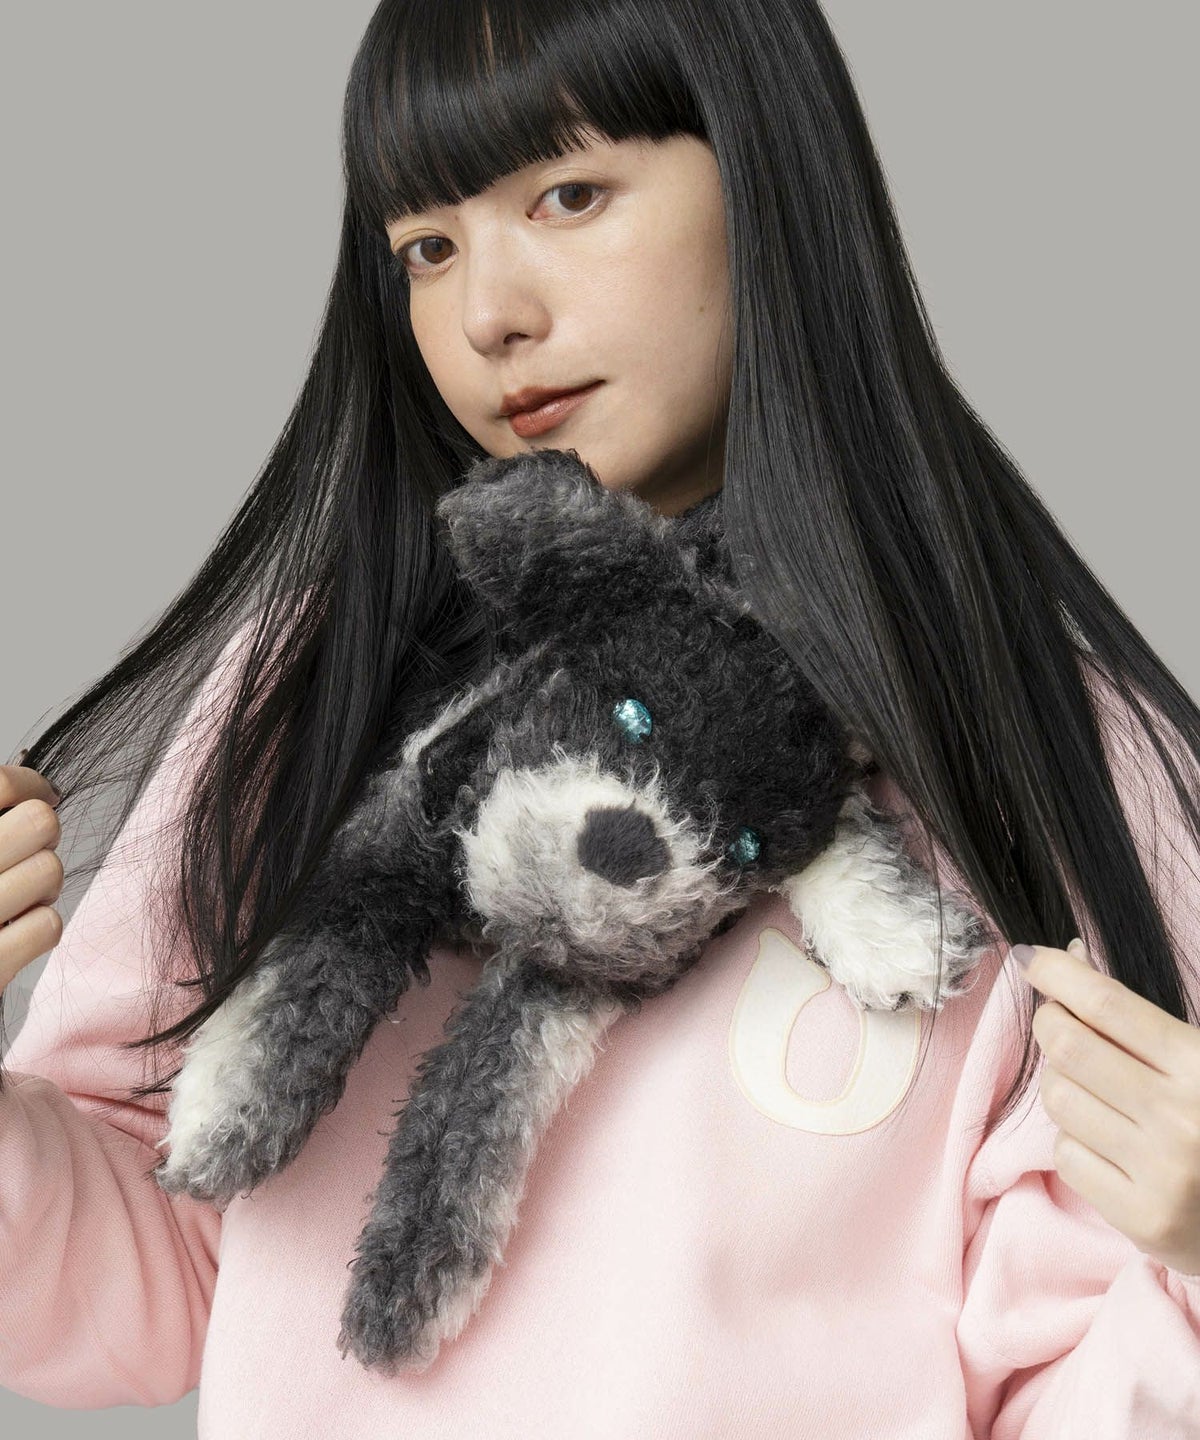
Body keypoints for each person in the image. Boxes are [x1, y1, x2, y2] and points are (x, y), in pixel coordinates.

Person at [2, 0, 1198, 1433]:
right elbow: (123, 1290)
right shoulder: (318, 685)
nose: (486, 316)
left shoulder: (1044, 761)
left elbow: (1080, 1384)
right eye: (426, 248)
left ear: (766, 177)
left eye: (568, 196)